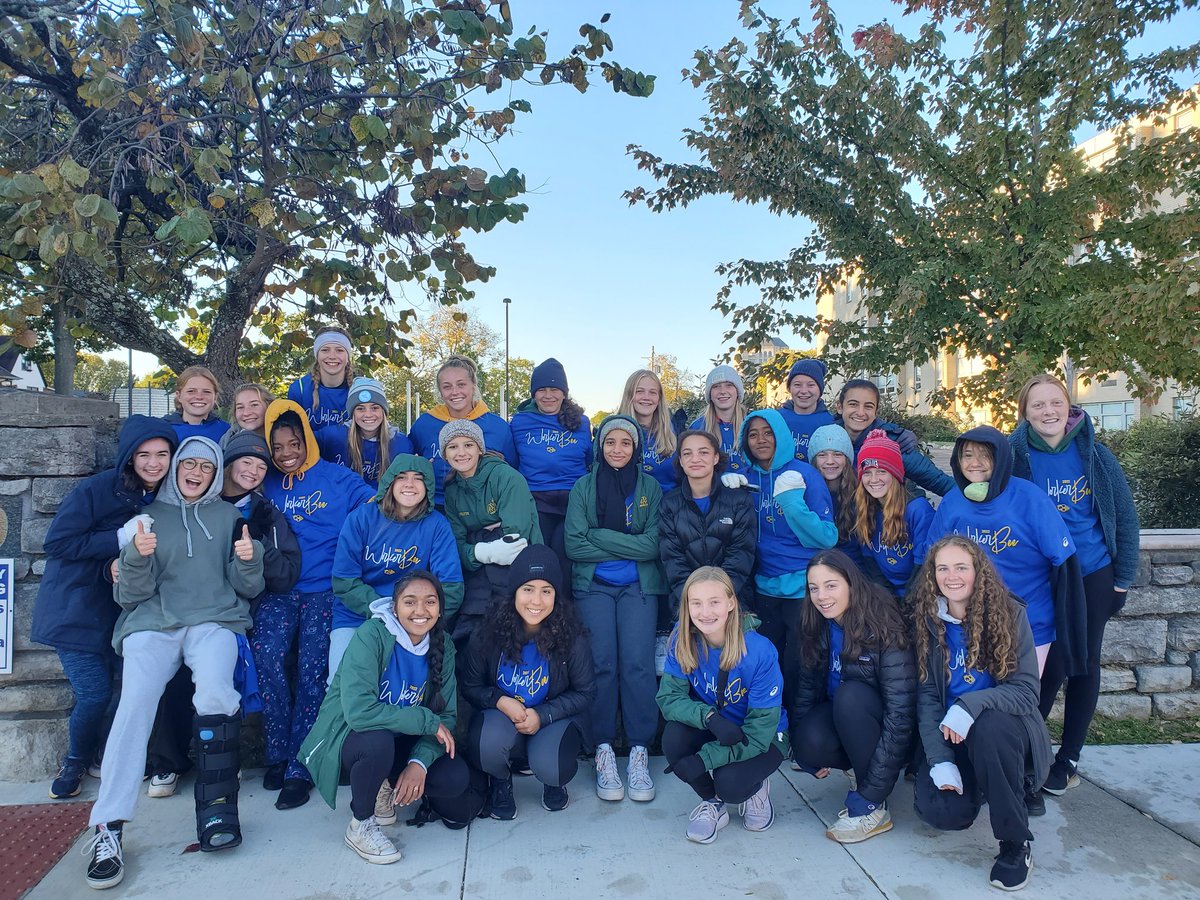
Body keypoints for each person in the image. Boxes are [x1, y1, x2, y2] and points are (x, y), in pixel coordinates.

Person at [83, 437, 265, 889]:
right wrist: (135, 557)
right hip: (154, 621)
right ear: (175, 467)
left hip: (213, 619)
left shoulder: (228, 517)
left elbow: (247, 588)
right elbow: (129, 596)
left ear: (215, 472)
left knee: (217, 693)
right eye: (189, 463)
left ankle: (217, 810)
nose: (197, 471)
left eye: (207, 465)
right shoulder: (146, 520)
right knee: (136, 702)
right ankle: (108, 826)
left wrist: (249, 559)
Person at [32, 416, 178, 800]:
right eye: (144, 454)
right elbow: (58, 542)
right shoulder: (96, 490)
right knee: (94, 692)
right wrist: (118, 539)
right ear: (129, 457)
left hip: (126, 612)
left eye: (162, 454)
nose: (153, 462)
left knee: (128, 689)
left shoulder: (165, 496)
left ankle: (103, 754)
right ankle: (75, 759)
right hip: (75, 610)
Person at [1010, 374, 1140, 797]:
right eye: (1037, 406)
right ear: (1025, 413)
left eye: (1055, 403)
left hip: (1092, 573)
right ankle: (1028, 749)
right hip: (1039, 577)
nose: (1048, 412)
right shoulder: (1014, 456)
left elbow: (1125, 517)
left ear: (1069, 407)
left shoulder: (1096, 456)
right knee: (1042, 665)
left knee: (1083, 664)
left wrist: (1122, 579)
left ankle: (1068, 759)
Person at [299, 572, 479, 865]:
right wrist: (425, 721)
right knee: (377, 743)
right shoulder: (372, 635)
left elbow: (445, 716)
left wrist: (418, 763)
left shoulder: (442, 644)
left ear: (439, 609)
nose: (420, 611)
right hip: (352, 741)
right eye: (410, 602)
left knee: (454, 779)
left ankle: (390, 782)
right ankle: (361, 824)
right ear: (395, 607)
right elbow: (360, 713)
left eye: (430, 602)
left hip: (402, 741)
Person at [911, 536, 1053, 892]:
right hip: (952, 734)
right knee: (942, 814)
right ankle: (986, 782)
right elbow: (928, 695)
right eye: (942, 568)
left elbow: (1025, 692)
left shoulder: (1009, 613)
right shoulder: (929, 620)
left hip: (1002, 730)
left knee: (990, 728)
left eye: (961, 567)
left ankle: (1014, 845)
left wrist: (968, 705)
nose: (951, 576)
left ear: (978, 571)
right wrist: (939, 759)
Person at [257, 399, 375, 810]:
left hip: (325, 589)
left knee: (312, 669)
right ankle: (278, 751)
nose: (287, 454)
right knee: (268, 656)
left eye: (294, 444)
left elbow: (379, 505)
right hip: (279, 589)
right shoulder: (265, 482)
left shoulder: (338, 479)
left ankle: (300, 765)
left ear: (307, 439)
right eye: (278, 447)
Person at [921, 426, 1086, 679]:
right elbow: (932, 560)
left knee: (1018, 701)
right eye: (967, 455)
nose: (975, 463)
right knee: (977, 700)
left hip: (1029, 623)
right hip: (970, 624)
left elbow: (1064, 564)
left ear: (1001, 459)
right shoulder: (953, 501)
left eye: (985, 455)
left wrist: (1068, 627)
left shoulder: (1030, 498)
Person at [565, 414, 666, 804]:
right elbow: (574, 545)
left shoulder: (651, 487)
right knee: (601, 663)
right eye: (610, 443)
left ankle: (639, 749)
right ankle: (603, 748)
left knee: (638, 665)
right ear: (600, 446)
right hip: (595, 587)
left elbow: (653, 544)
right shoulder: (583, 487)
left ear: (636, 448)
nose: (618, 450)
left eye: (626, 443)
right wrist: (628, 540)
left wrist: (600, 537)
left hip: (638, 586)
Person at [790, 549, 916, 844]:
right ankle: (862, 772)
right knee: (808, 739)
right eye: (813, 588)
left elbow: (901, 712)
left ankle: (875, 807)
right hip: (846, 720)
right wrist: (800, 746)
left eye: (831, 585)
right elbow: (807, 688)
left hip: (889, 728)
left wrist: (871, 794)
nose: (821, 596)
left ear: (851, 583)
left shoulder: (881, 622)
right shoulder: (817, 620)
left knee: (851, 695)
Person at [461, 545, 596, 819]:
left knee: (552, 765)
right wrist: (499, 700)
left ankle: (553, 783)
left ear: (556, 595)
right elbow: (470, 686)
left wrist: (543, 715)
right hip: (502, 717)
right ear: (514, 592)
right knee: (486, 746)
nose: (536, 600)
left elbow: (585, 692)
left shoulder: (571, 635)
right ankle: (500, 781)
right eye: (528, 589)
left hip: (550, 716)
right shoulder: (488, 632)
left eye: (546, 590)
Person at [657, 567, 789, 844]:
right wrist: (708, 718)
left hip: (764, 737)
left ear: (731, 603)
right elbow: (669, 700)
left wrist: (704, 759)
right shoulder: (683, 640)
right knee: (674, 737)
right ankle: (713, 803)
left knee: (731, 785)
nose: (705, 612)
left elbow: (758, 734)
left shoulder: (759, 650)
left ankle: (755, 788)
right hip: (720, 725)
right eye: (696, 603)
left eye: (714, 602)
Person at [727, 409, 836, 698]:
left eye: (768, 432)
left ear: (781, 436)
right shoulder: (745, 478)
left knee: (799, 665)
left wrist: (791, 502)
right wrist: (722, 491)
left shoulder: (804, 475)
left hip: (801, 588)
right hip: (763, 587)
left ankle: (801, 728)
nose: (761, 440)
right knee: (766, 663)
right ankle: (774, 725)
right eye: (753, 434)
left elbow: (827, 538)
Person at [329, 454, 463, 684]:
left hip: (413, 618)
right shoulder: (361, 518)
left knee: (401, 687)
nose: (409, 484)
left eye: (418, 478)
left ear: (428, 487)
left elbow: (451, 587)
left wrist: (417, 616)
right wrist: (385, 611)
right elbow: (344, 580)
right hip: (358, 614)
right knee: (340, 683)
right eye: (401, 477)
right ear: (389, 482)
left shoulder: (436, 525)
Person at [440, 419, 542, 647]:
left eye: (468, 445)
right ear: (444, 454)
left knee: (503, 630)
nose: (461, 452)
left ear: (479, 448)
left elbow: (514, 542)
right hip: (480, 572)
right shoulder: (452, 491)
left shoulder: (506, 477)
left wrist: (473, 539)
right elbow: (455, 546)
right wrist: (485, 549)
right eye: (453, 447)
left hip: (519, 570)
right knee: (467, 633)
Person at [509, 358, 593, 601]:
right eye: (541, 390)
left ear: (564, 393)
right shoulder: (520, 422)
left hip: (573, 500)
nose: (548, 395)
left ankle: (566, 609)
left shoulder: (581, 422)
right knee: (540, 555)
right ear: (534, 393)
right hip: (536, 499)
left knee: (565, 554)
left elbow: (589, 460)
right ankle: (539, 608)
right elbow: (512, 462)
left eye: (554, 389)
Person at [659, 430, 757, 615]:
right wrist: (695, 602)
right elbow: (672, 560)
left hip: (733, 602)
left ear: (715, 458)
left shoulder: (739, 500)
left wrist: (718, 599)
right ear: (680, 460)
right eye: (687, 453)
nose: (695, 458)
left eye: (703, 452)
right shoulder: (669, 504)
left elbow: (741, 554)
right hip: (688, 605)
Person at [408, 355, 516, 506]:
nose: (454, 392)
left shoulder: (497, 427)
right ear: (440, 391)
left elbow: (513, 471)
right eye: (447, 386)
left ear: (473, 385)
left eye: (461, 384)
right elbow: (406, 461)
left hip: (484, 510)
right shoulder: (424, 425)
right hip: (435, 506)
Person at [834, 379, 954, 497]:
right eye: (853, 404)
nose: (860, 412)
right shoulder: (828, 438)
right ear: (840, 407)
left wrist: (968, 498)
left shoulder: (892, 442)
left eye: (868, 406)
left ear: (876, 412)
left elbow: (937, 480)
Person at [854, 429, 935, 601]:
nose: (874, 479)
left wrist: (907, 604)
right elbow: (870, 562)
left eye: (882, 471)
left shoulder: (918, 509)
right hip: (886, 592)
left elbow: (924, 566)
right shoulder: (865, 507)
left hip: (919, 592)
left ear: (895, 474)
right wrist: (887, 599)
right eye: (867, 473)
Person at [316, 376, 413, 488]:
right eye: (360, 408)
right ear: (353, 413)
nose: (368, 414)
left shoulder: (401, 444)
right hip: (343, 504)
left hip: (383, 504)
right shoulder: (333, 437)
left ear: (383, 411)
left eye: (375, 408)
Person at [808, 423, 864, 567]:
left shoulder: (860, 492)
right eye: (822, 455)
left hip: (854, 569)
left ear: (847, 459)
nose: (830, 461)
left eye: (837, 454)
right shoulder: (805, 493)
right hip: (818, 566)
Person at [617, 368, 681, 494]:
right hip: (632, 508)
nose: (647, 397)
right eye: (639, 391)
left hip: (669, 506)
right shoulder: (615, 430)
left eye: (653, 392)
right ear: (629, 395)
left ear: (659, 398)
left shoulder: (675, 430)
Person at [286, 324, 356, 432]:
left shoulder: (359, 389)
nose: (332, 356)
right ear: (317, 355)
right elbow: (291, 434)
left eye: (339, 350)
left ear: (348, 357)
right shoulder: (299, 389)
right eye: (325, 350)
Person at [689, 364, 748, 473]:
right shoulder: (698, 428)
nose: (722, 391)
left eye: (729, 385)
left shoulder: (751, 424)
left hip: (748, 487)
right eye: (716, 386)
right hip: (712, 489)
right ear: (709, 394)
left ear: (737, 391)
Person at [776, 357, 835, 462]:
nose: (803, 391)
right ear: (789, 388)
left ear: (820, 389)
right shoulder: (777, 419)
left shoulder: (831, 423)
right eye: (797, 385)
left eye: (811, 385)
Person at [164, 366, 230, 443]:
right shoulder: (162, 429)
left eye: (206, 392)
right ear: (179, 396)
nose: (199, 397)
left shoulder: (226, 432)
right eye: (191, 391)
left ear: (215, 397)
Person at [219, 383, 274, 450]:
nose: (246, 413)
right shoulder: (227, 440)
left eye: (254, 405)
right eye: (240, 407)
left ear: (269, 406)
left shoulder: (283, 436)